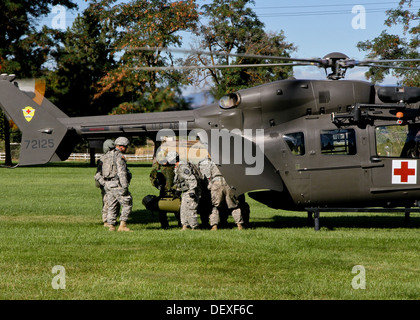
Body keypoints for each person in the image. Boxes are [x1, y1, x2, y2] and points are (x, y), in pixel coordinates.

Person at [102, 136, 133, 232]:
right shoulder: (119, 156)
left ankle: (111, 225)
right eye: (126, 147)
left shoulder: (107, 155)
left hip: (107, 183)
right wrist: (124, 186)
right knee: (127, 203)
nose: (126, 149)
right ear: (121, 146)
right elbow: (121, 172)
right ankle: (122, 225)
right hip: (116, 183)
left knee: (112, 205)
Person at [207, 158, 244, 230]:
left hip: (216, 183)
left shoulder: (212, 162)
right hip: (230, 183)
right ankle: (239, 225)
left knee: (215, 206)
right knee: (234, 205)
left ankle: (214, 226)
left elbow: (208, 175)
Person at [149, 150, 180, 228]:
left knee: (178, 208)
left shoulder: (176, 165)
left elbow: (181, 178)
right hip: (163, 190)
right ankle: (164, 225)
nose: (164, 162)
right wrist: (156, 184)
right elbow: (152, 177)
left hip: (175, 189)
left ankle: (182, 223)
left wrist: (177, 188)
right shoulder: (158, 166)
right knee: (162, 208)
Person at [94, 139, 119, 227]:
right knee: (107, 202)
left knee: (116, 203)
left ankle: (113, 219)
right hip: (106, 184)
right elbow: (98, 174)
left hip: (116, 184)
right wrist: (104, 183)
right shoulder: (102, 159)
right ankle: (106, 221)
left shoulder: (117, 157)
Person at [174, 154, 201, 230]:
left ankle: (194, 227)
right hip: (186, 190)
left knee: (190, 208)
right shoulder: (179, 166)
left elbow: (191, 179)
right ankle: (185, 226)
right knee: (183, 209)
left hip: (191, 189)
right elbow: (180, 180)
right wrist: (178, 190)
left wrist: (192, 191)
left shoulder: (183, 167)